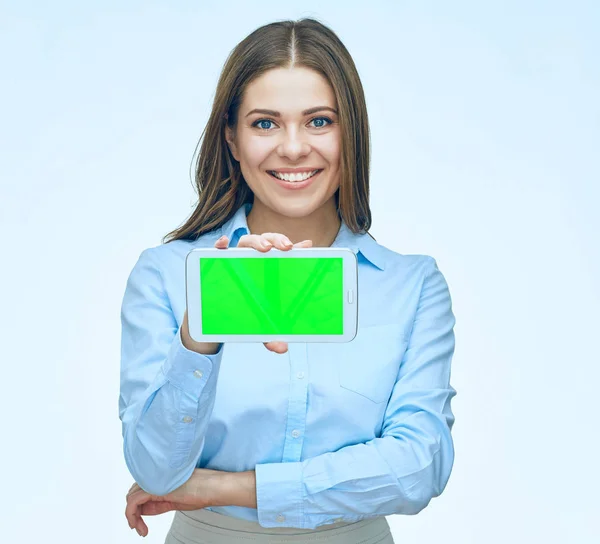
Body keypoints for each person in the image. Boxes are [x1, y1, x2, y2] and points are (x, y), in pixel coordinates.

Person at [120, 17, 457, 544]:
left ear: (351, 133)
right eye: (265, 123)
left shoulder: (411, 286)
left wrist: (226, 487)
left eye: (320, 121)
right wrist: (202, 332)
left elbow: (418, 467)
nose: (294, 148)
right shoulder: (166, 275)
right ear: (232, 138)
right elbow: (157, 471)